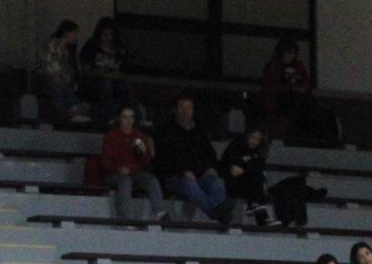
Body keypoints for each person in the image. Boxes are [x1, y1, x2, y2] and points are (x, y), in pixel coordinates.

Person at [155, 94, 232, 224]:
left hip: (200, 175)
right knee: (189, 185)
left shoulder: (199, 132)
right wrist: (182, 171)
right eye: (182, 108)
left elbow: (210, 154)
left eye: (189, 108)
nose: (185, 112)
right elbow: (165, 159)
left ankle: (216, 211)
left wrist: (210, 168)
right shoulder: (166, 132)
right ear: (175, 110)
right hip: (174, 177)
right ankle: (216, 212)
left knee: (217, 182)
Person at [260, 37, 336, 142]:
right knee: (300, 104)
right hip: (282, 101)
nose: (291, 56)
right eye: (288, 53)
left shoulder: (298, 66)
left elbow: (307, 82)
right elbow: (271, 87)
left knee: (320, 112)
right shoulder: (274, 66)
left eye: (293, 53)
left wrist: (303, 89)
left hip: (301, 99)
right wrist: (291, 88)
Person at [99, 106, 165, 223]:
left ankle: (160, 213)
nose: (128, 121)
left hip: (136, 173)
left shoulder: (140, 136)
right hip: (115, 173)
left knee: (151, 180)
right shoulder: (111, 137)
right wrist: (118, 169)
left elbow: (146, 163)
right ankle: (126, 219)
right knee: (125, 181)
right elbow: (105, 162)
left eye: (131, 117)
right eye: (125, 117)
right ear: (119, 119)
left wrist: (144, 152)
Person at [78, 17, 135, 119]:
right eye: (104, 33)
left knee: (126, 84)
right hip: (94, 83)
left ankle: (132, 117)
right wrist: (102, 74)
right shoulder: (91, 47)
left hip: (116, 83)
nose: (107, 37)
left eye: (110, 34)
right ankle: (107, 117)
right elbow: (85, 69)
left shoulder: (119, 49)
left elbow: (125, 70)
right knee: (106, 84)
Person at [34, 20, 86, 124]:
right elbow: (47, 68)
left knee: (65, 87)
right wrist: (61, 78)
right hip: (43, 79)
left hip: (58, 80)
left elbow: (67, 73)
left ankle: (73, 113)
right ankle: (65, 117)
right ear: (67, 33)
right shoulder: (50, 45)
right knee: (57, 88)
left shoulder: (66, 52)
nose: (77, 36)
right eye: (75, 33)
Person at [220, 127, 272, 224]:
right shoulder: (236, 145)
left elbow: (258, 170)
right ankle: (260, 217)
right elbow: (233, 170)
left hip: (247, 184)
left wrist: (245, 171)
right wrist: (245, 171)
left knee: (258, 180)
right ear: (247, 136)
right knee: (257, 180)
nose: (254, 142)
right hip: (230, 181)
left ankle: (256, 209)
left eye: (258, 140)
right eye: (253, 137)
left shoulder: (258, 153)